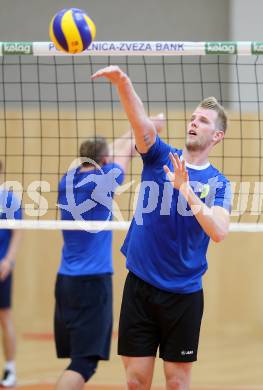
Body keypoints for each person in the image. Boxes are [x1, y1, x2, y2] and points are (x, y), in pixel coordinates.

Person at [91, 66, 231, 390]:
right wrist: (123, 83)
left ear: (217, 136)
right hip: (140, 285)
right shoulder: (160, 156)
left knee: (177, 383)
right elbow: (140, 124)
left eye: (204, 121)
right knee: (136, 381)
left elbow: (219, 231)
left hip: (183, 294)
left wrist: (186, 190)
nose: (194, 122)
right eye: (194, 117)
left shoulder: (219, 183)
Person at [55, 116, 165, 390]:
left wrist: (136, 127)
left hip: (65, 282)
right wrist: (145, 128)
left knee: (77, 360)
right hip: (92, 283)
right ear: (104, 160)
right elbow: (125, 151)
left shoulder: (66, 181)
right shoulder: (106, 180)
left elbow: (111, 151)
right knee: (83, 364)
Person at [0, 160, 23, 388]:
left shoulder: (9, 199)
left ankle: (10, 369)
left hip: (1, 268)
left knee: (4, 317)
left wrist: (9, 260)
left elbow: (17, 233)